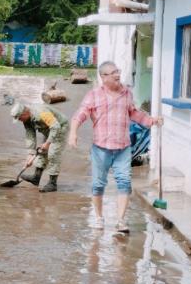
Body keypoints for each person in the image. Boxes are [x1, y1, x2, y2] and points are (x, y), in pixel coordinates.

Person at [68, 61, 163, 233]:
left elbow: (133, 113)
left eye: (117, 71)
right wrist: (73, 132)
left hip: (123, 148)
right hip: (101, 148)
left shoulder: (126, 93)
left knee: (124, 183)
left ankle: (120, 221)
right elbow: (80, 114)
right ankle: (98, 218)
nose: (117, 74)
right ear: (103, 77)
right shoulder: (94, 95)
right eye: (112, 72)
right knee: (98, 185)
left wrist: (152, 121)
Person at [10, 102, 69, 192]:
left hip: (60, 127)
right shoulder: (26, 119)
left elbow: (55, 127)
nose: (19, 120)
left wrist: (48, 143)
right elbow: (30, 134)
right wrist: (30, 154)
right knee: (42, 151)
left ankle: (52, 184)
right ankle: (36, 177)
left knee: (53, 153)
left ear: (25, 113)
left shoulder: (42, 113)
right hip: (49, 129)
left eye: (19, 118)